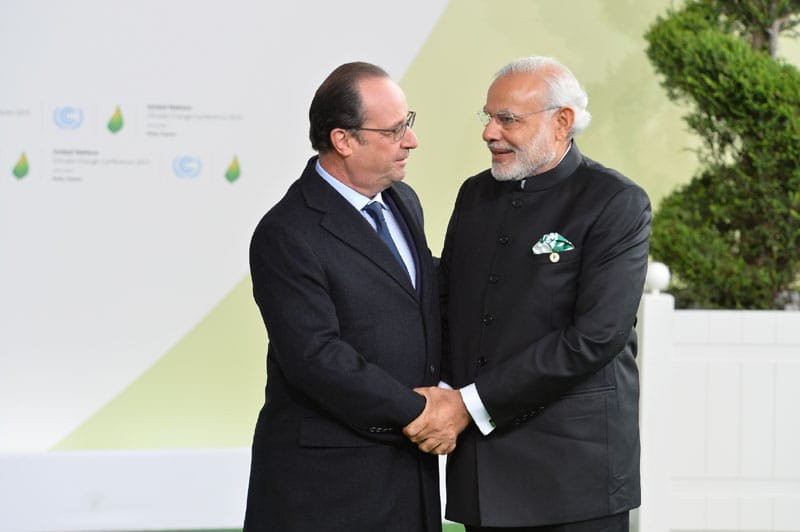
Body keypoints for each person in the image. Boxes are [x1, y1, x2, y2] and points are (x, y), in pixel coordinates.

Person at [406, 56, 651, 530]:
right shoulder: (474, 195)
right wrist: (436, 393)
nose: (489, 133)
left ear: (562, 122)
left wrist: (468, 405)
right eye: (488, 117)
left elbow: (596, 337)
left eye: (508, 119)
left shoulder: (615, 202)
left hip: (574, 476)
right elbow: (449, 304)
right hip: (483, 471)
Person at [243, 61, 443, 532]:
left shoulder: (402, 201)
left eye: (407, 124)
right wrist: (423, 413)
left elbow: (420, 307)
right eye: (394, 130)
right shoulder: (287, 232)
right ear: (343, 140)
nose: (410, 141)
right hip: (327, 487)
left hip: (407, 474)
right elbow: (316, 358)